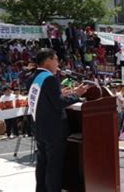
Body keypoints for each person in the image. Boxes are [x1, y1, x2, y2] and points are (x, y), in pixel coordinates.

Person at [27, 48, 87, 192]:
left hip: (40, 128)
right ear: (48, 60)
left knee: (42, 163)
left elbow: (46, 100)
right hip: (54, 131)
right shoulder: (50, 79)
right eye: (55, 60)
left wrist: (63, 93)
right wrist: (76, 94)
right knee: (54, 166)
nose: (57, 63)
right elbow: (58, 104)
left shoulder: (32, 77)